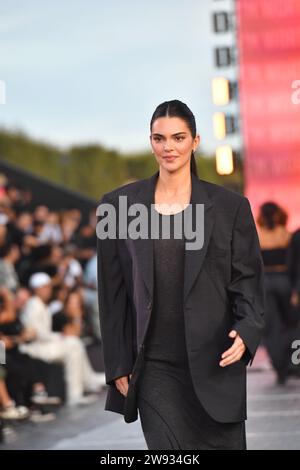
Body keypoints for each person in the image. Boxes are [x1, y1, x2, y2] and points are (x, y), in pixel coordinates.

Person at [97, 99, 265, 450]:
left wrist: (247, 331)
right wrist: (117, 364)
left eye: (178, 137)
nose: (168, 147)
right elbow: (112, 296)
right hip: (155, 368)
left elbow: (247, 279)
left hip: (216, 360)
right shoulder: (119, 207)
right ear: (151, 142)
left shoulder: (230, 207)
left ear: (195, 141)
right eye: (159, 138)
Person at [256, 202, 294, 384]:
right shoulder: (286, 235)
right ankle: (292, 362)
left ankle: (280, 365)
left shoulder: (257, 236)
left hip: (265, 282)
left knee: (272, 327)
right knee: (290, 323)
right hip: (285, 281)